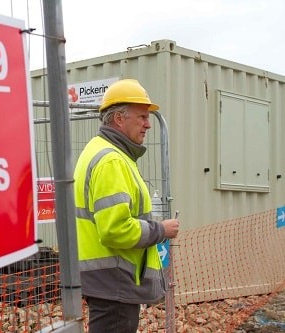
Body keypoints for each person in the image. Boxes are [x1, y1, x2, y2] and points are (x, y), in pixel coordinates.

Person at [73, 79, 180, 333]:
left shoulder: (101, 151)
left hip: (109, 282)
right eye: (142, 116)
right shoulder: (111, 160)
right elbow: (115, 229)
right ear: (119, 119)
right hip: (115, 284)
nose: (148, 124)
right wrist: (161, 230)